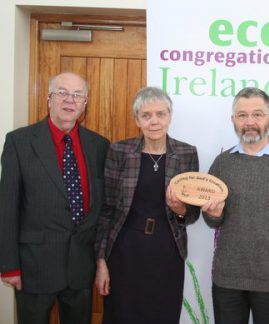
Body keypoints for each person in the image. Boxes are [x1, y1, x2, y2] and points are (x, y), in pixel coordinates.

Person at [0, 72, 110, 324]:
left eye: (77, 95)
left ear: (85, 103)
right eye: (62, 92)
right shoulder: (19, 142)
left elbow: (102, 208)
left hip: (81, 268)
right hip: (34, 267)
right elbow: (7, 207)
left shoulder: (100, 146)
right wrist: (9, 266)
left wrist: (101, 260)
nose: (69, 100)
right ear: (49, 98)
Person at [202, 87, 269, 324]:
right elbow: (212, 219)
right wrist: (213, 215)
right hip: (227, 279)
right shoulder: (222, 163)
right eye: (242, 115)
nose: (249, 121)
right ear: (233, 120)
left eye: (257, 114)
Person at [94, 86, 200, 324]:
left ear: (170, 117)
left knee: (163, 315)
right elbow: (107, 210)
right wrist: (101, 262)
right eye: (146, 115)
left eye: (161, 114)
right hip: (124, 251)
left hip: (167, 251)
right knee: (122, 315)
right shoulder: (119, 151)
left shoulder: (186, 153)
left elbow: (192, 214)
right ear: (137, 120)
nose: (154, 121)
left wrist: (180, 209)